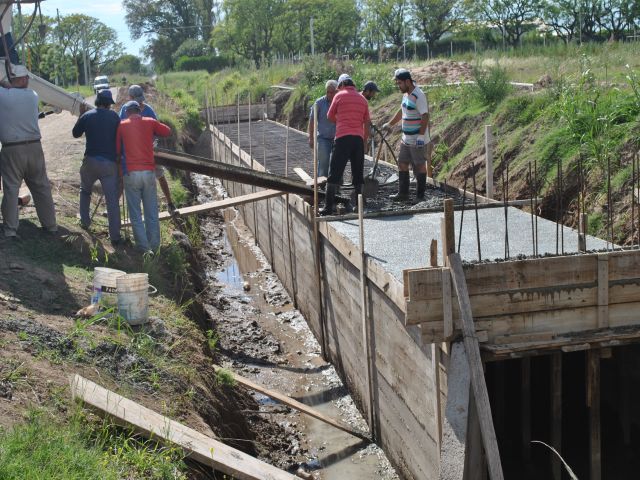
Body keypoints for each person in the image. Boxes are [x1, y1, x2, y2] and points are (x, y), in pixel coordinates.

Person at [0, 64, 57, 238]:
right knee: (41, 187)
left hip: (12, 149)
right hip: (34, 147)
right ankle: (50, 226)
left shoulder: (4, 96)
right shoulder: (33, 96)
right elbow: (12, 90)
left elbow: (5, 88)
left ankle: (10, 230)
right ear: (24, 79)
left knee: (11, 189)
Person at [117, 100, 171, 253]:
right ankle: (155, 246)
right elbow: (167, 131)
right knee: (151, 212)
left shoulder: (121, 126)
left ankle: (144, 248)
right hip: (148, 173)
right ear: (139, 111)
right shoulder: (150, 121)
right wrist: (152, 129)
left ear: (127, 113)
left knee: (135, 214)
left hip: (131, 174)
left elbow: (117, 150)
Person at [72, 89, 123, 246]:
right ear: (109, 104)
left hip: (91, 161)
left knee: (85, 191)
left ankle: (85, 223)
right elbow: (120, 138)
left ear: (97, 101)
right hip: (109, 164)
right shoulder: (115, 117)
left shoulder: (87, 116)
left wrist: (81, 114)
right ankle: (115, 237)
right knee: (112, 200)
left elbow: (75, 133)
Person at [119, 84, 176, 213]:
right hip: (132, 151)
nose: (140, 104)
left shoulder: (149, 110)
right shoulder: (124, 110)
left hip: (148, 149)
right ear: (131, 97)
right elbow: (120, 128)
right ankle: (116, 207)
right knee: (123, 177)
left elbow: (157, 129)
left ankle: (170, 203)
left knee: (160, 175)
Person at [321, 74, 370, 215]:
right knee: (357, 174)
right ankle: (359, 207)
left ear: (342, 85)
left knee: (334, 172)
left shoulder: (339, 96)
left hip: (342, 138)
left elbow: (329, 116)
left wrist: (341, 119)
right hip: (358, 140)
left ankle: (328, 207)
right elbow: (366, 122)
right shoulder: (362, 99)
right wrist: (364, 141)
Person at [383, 68, 431, 203]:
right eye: (397, 83)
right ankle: (403, 194)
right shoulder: (406, 94)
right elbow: (402, 111)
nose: (399, 86)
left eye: (400, 83)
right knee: (402, 164)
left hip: (417, 139)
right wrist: (390, 124)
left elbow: (425, 116)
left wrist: (421, 136)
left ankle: (420, 196)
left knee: (420, 166)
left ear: (408, 81)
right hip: (406, 139)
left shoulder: (418, 95)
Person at [308, 79, 337, 180]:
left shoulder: (339, 102)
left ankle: (336, 187)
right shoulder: (319, 103)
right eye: (327, 92)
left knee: (337, 164)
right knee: (323, 163)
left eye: (331, 92)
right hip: (323, 138)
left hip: (337, 139)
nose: (329, 94)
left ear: (336, 92)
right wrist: (311, 138)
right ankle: (321, 186)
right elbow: (312, 121)